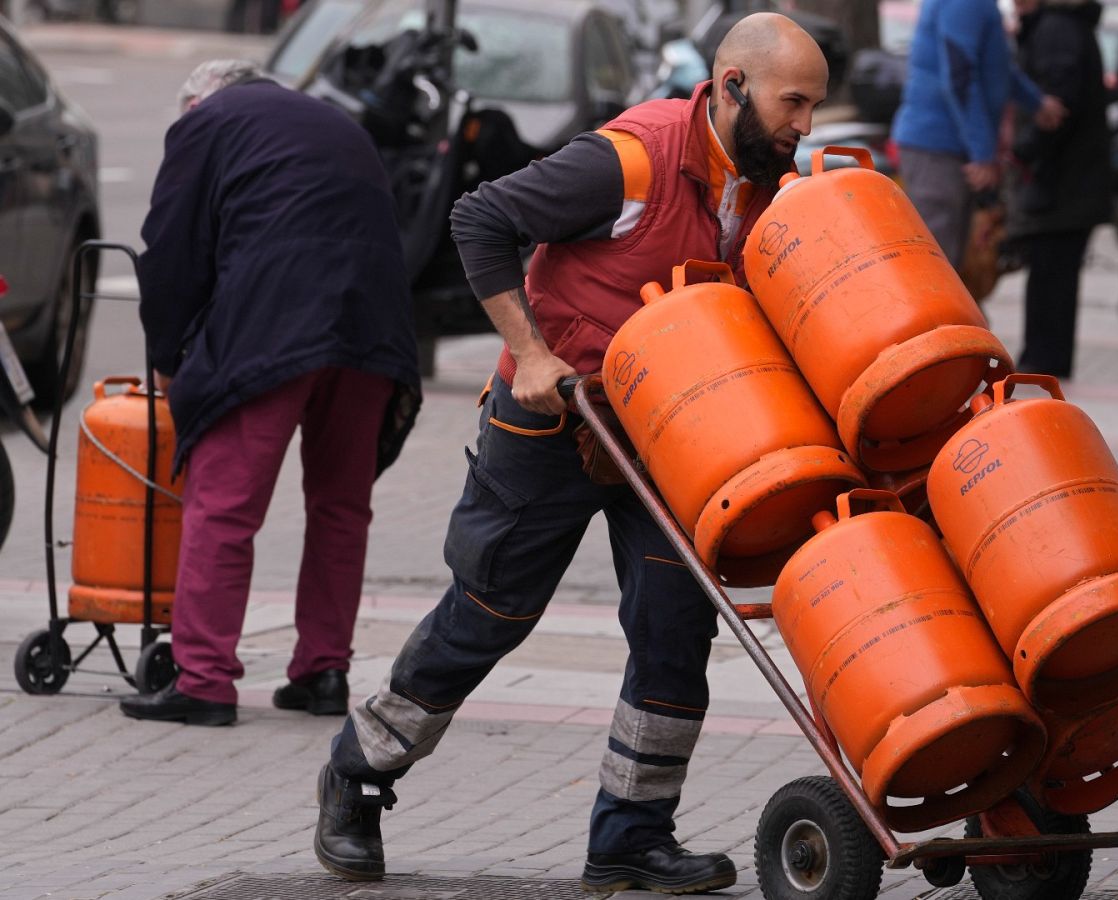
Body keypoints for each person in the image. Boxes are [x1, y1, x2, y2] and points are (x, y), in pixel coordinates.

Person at [310, 14, 829, 893]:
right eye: (794, 103)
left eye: (814, 107)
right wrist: (533, 353)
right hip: (552, 420)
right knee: (491, 612)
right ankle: (359, 771)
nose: (804, 126)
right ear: (733, 86)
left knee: (676, 627)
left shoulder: (763, 183)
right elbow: (481, 218)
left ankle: (631, 835)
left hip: (665, 434)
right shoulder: (631, 161)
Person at [119, 61, 420, 728]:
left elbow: (170, 250)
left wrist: (168, 360)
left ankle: (204, 681)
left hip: (275, 325)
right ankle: (323, 671)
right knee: (341, 508)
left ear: (197, 102)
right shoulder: (336, 123)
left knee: (223, 506)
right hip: (372, 327)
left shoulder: (206, 123)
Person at [891, 0, 1065, 269]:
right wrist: (982, 153)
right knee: (936, 266)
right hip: (938, 147)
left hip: (948, 146)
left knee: (949, 263)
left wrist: (1036, 102)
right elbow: (959, 75)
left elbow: (995, 65)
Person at [1007, 0, 1111, 379]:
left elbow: (1059, 105)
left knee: (1051, 273)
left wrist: (1023, 151)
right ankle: (1046, 358)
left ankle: (1043, 359)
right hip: (1069, 177)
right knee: (1055, 272)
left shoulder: (1056, 29)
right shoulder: (1064, 26)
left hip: (1061, 178)